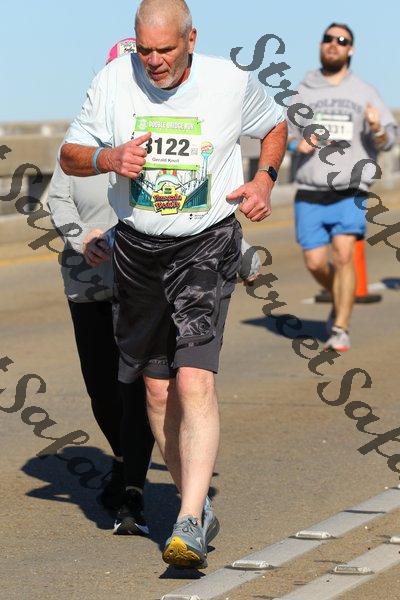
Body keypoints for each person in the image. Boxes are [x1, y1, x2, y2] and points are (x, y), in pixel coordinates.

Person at [60, 0, 287, 568]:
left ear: (191, 39)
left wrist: (264, 178)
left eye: (165, 49)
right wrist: (109, 157)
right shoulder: (114, 80)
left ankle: (186, 519)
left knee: (193, 378)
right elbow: (68, 155)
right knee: (157, 389)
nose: (154, 61)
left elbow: (275, 125)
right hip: (138, 248)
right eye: (145, 50)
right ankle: (196, 503)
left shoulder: (228, 81)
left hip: (204, 242)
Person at [48, 39, 155, 537]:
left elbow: (199, 202)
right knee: (101, 387)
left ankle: (133, 487)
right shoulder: (81, 138)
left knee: (138, 384)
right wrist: (80, 237)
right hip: (88, 280)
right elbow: (58, 197)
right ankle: (123, 458)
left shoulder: (166, 136)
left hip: (143, 280)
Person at [288, 23, 397, 352]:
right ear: (320, 45)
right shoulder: (304, 91)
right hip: (310, 188)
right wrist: (296, 145)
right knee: (315, 262)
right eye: (328, 39)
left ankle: (340, 327)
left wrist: (377, 128)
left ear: (351, 49)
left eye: (341, 40)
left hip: (351, 188)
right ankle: (341, 294)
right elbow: (283, 135)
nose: (333, 44)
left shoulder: (364, 91)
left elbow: (388, 140)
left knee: (344, 255)